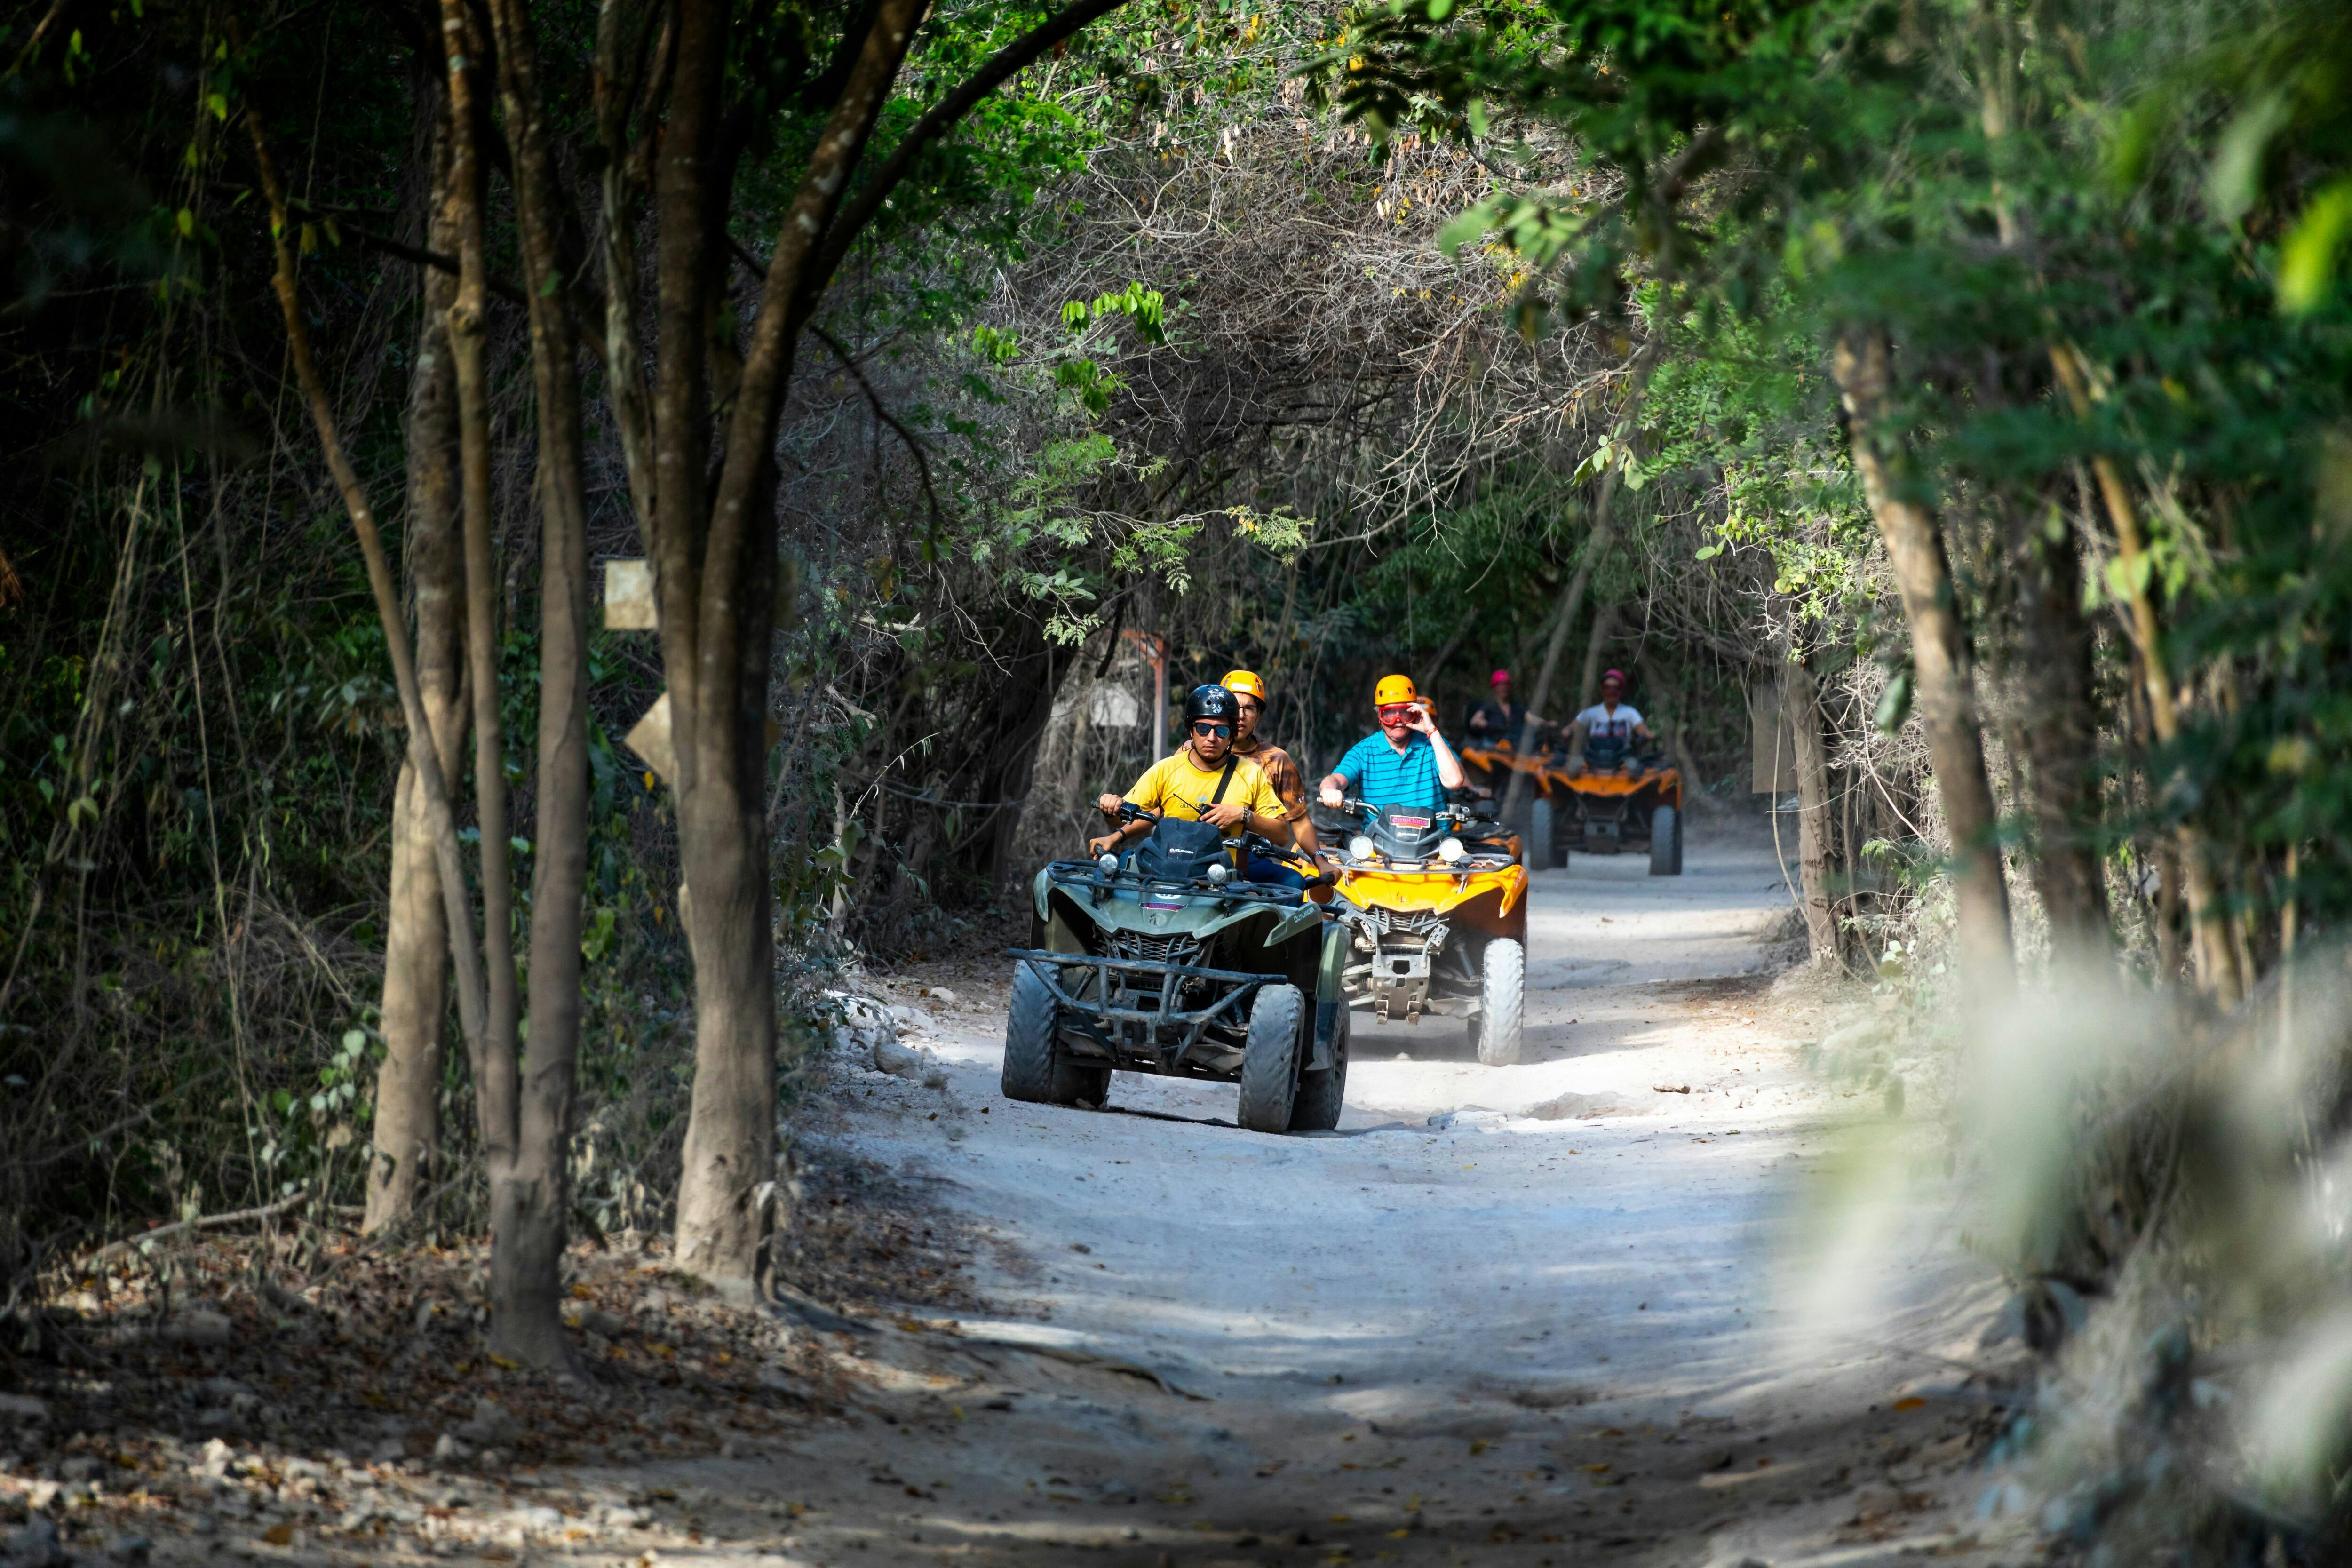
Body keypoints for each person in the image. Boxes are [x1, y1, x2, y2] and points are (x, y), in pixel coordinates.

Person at [1090, 684, 1295, 861]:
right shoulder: (1166, 769)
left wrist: (1243, 815)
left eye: (1221, 731)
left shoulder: (1251, 774)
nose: (1212, 738)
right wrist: (1111, 808)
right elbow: (1121, 818)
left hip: (1221, 883)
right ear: (1191, 731)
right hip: (1166, 872)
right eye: (1203, 729)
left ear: (1232, 735)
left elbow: (1282, 836)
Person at [1220, 669, 1318, 885]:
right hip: (1199, 848)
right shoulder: (1192, 752)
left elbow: (1299, 820)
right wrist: (1124, 832)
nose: (1241, 716)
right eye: (1235, 707)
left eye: (1250, 709)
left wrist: (1321, 859)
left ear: (1259, 715)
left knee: (1294, 883)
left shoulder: (1276, 760)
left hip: (1252, 855)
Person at [1318, 674, 1468, 811]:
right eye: (1389, 714)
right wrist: (1329, 789)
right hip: (1378, 838)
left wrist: (1432, 732)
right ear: (1379, 716)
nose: (1398, 721)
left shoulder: (1434, 744)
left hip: (1434, 839)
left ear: (1415, 713)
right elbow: (1337, 778)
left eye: (1404, 713)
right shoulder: (1363, 752)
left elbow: (1455, 782)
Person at [1566, 669, 1655, 774]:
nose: (1611, 692)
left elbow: (1642, 730)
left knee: (1637, 771)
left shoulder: (1630, 712)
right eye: (1607, 688)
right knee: (1572, 769)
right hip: (1594, 759)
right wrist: (1568, 731)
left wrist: (1648, 734)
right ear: (1602, 690)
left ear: (1620, 691)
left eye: (1615, 689)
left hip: (1622, 760)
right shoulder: (1591, 713)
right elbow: (1572, 727)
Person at [1465, 669, 1534, 750]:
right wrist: (1481, 722)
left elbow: (1531, 718)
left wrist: (1546, 724)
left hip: (1513, 744)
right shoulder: (1489, 706)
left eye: (1506, 685)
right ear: (1495, 688)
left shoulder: (1518, 707)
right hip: (1492, 744)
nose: (1504, 688)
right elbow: (1474, 721)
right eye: (1500, 685)